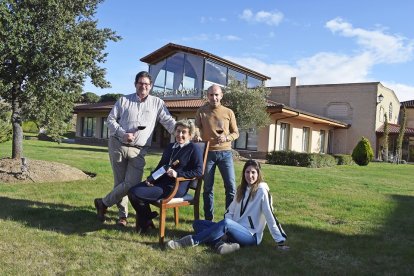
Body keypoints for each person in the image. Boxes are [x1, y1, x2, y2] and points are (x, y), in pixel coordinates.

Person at [94, 71, 176, 227]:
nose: (143, 86)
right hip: (118, 144)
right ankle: (122, 216)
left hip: (139, 150)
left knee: (131, 184)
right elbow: (110, 120)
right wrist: (122, 133)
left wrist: (184, 133)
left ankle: (103, 203)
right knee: (119, 182)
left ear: (151, 86)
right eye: (140, 83)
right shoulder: (124, 100)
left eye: (146, 84)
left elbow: (168, 121)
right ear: (135, 84)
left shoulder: (157, 103)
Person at [166, 159, 289, 254]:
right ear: (243, 173)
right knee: (197, 224)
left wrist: (280, 241)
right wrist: (224, 231)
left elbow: (270, 216)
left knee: (226, 223)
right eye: (247, 172)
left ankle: (190, 241)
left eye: (253, 172)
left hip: (251, 236)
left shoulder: (262, 191)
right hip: (234, 230)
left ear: (258, 174)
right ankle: (224, 244)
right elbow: (230, 211)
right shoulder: (241, 189)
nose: (250, 175)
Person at [127, 119, 203, 232]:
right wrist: (151, 178)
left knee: (136, 194)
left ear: (190, 135)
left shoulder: (193, 148)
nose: (180, 135)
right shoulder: (171, 146)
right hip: (161, 182)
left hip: (175, 187)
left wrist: (177, 174)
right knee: (132, 191)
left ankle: (145, 222)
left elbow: (199, 171)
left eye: (184, 132)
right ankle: (147, 218)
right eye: (178, 131)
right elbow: (161, 166)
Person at [195, 84, 239, 221]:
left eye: (216, 94)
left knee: (231, 187)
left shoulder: (228, 112)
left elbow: (236, 133)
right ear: (207, 96)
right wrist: (196, 135)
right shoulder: (201, 111)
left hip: (225, 153)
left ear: (221, 96)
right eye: (211, 95)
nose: (214, 97)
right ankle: (209, 220)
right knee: (208, 188)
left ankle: (229, 219)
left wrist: (226, 137)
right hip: (208, 154)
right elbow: (196, 127)